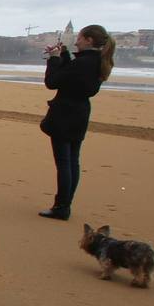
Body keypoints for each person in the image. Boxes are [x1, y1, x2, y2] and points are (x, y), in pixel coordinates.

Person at [38, 24, 114, 220]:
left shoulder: (83, 63)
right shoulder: (97, 62)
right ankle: (65, 204)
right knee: (72, 161)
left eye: (80, 38)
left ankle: (61, 206)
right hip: (79, 113)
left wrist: (53, 59)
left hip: (65, 113)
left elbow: (53, 81)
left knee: (64, 163)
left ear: (89, 40)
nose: (77, 41)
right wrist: (62, 55)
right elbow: (71, 78)